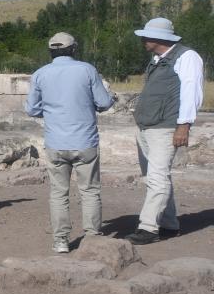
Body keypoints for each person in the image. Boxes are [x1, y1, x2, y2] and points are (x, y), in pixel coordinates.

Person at [24, 32, 115, 253]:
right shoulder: (87, 70)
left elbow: (31, 109)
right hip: (85, 141)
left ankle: (61, 240)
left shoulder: (40, 74)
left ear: (51, 51)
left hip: (55, 142)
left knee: (58, 193)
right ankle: (92, 237)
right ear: (73, 49)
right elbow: (103, 102)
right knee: (90, 191)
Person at [126, 17, 204, 245]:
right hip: (147, 127)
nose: (142, 39)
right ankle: (169, 224)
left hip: (166, 127)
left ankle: (148, 228)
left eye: (145, 36)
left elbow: (192, 91)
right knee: (154, 177)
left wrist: (184, 125)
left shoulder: (187, 57)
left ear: (160, 38)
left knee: (157, 178)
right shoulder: (158, 59)